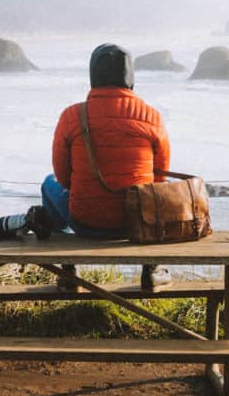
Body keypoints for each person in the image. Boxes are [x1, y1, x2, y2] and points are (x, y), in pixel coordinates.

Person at [42, 43, 172, 290]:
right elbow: (160, 177)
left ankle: (67, 270)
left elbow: (62, 177)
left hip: (85, 221)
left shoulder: (71, 116)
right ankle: (153, 268)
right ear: (130, 77)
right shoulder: (152, 117)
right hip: (136, 223)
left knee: (49, 184)